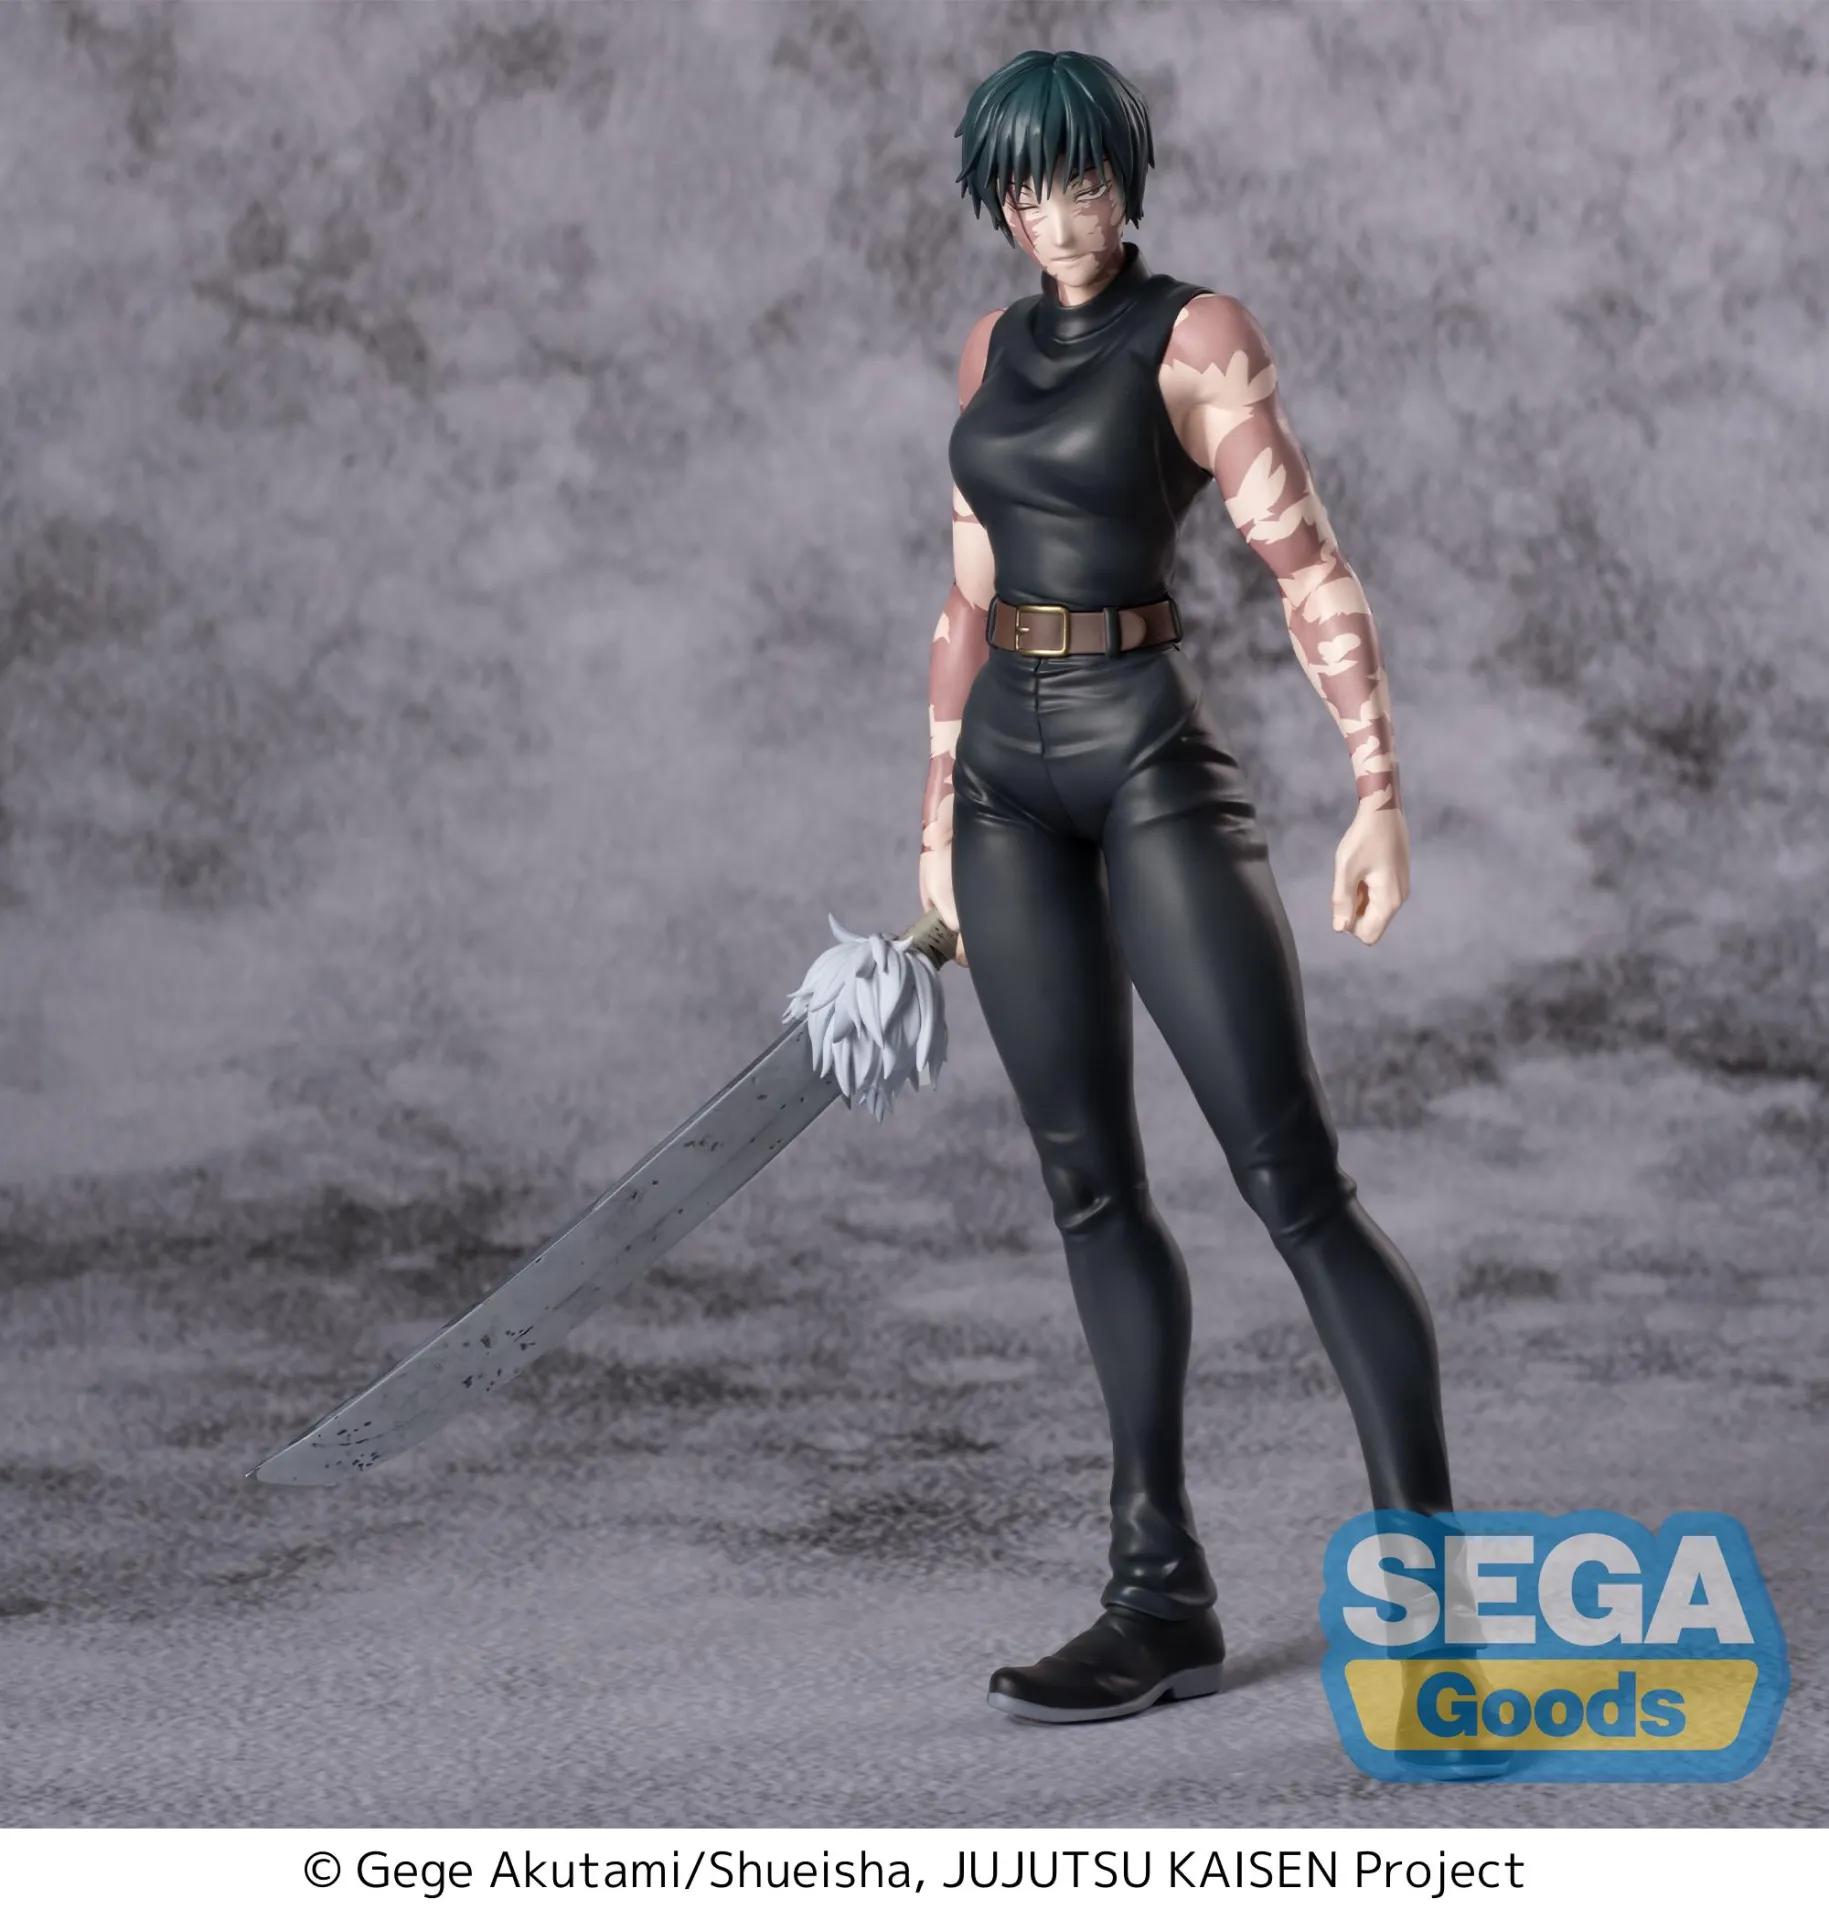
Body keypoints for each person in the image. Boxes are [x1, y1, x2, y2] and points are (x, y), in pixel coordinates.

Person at [921, 49, 1454, 1724]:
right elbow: (966, 596)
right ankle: (1158, 1600)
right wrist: (932, 822)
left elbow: (1308, 565)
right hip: (1007, 782)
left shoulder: (1195, 337)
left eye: (1079, 181)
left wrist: (1378, 792)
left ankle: (1431, 1605)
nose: (1054, 217)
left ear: (1125, 179)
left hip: (1148, 757)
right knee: (1088, 1188)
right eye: (1024, 190)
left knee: (1291, 1180)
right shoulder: (991, 350)